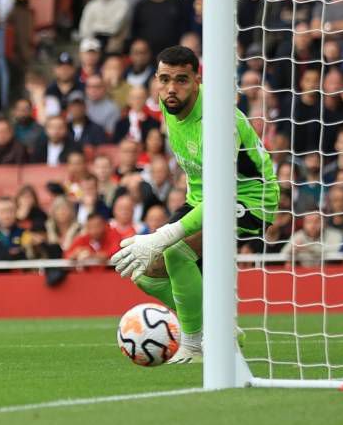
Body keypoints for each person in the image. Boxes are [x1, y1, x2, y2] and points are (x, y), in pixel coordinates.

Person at [111, 46, 279, 364]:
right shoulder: (167, 104)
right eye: (164, 79)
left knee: (176, 251)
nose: (171, 88)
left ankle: (193, 346)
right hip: (201, 199)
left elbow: (222, 193)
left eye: (181, 80)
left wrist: (162, 235)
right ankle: (218, 327)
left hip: (249, 201)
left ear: (197, 80)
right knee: (144, 270)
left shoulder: (218, 121)